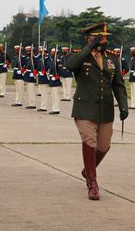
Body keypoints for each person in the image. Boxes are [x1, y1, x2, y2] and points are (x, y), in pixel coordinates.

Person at [66, 23, 128, 201]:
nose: (104, 40)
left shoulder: (112, 58)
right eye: (100, 37)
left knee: (103, 146)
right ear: (89, 38)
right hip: (85, 108)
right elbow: (70, 65)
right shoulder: (80, 56)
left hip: (105, 109)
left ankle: (88, 170)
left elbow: (118, 84)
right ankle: (92, 184)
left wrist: (123, 103)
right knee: (89, 141)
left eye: (105, 37)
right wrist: (89, 47)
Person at [48, 47, 62, 114]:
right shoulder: (52, 61)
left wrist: (56, 77)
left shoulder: (58, 61)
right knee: (53, 96)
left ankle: (56, 109)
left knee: (56, 96)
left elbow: (60, 71)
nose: (51, 53)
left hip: (55, 80)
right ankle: (54, 108)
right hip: (52, 80)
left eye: (52, 52)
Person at [36, 46, 50, 112]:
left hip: (45, 77)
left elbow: (48, 67)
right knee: (42, 93)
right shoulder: (41, 59)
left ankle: (44, 107)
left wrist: (43, 72)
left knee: (44, 94)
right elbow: (38, 67)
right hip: (40, 77)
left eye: (43, 52)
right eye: (41, 52)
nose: (42, 53)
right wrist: (37, 72)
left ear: (45, 52)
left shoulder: (48, 59)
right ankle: (42, 106)